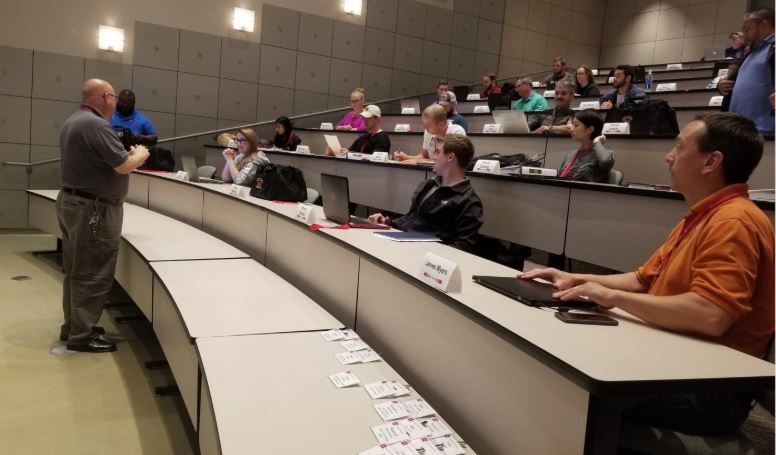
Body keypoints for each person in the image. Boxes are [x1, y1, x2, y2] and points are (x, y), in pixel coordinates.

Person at [521, 112, 774, 435]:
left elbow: (712, 314)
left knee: (561, 382)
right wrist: (578, 280)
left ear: (711, 162)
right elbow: (642, 279)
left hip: (708, 391)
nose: (668, 157)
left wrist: (612, 297)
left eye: (679, 148)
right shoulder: (704, 214)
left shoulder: (733, 222)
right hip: (676, 361)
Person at [58, 79, 150, 353]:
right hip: (94, 209)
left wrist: (126, 156)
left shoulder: (74, 120)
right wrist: (140, 154)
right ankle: (82, 336)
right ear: (106, 97)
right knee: (92, 272)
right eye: (113, 98)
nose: (115, 104)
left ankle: (74, 326)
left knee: (75, 269)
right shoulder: (97, 125)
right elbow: (123, 166)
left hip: (74, 203)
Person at [369, 135, 483, 252]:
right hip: (403, 244)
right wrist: (388, 222)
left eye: (437, 152)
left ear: (450, 157)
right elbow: (411, 217)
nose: (433, 157)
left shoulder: (469, 202)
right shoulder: (429, 185)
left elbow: (462, 248)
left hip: (425, 257)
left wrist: (428, 256)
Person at [727, 8, 775, 135]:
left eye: (747, 29)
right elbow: (734, 79)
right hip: (740, 128)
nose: (743, 34)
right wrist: (723, 84)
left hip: (764, 129)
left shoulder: (773, 47)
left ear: (763, 25)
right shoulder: (750, 51)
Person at [395, 104, 466, 164]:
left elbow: (449, 162)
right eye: (424, 124)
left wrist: (417, 161)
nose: (425, 128)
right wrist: (406, 158)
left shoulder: (457, 132)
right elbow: (425, 156)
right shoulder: (428, 132)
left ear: (441, 124)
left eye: (428, 126)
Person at [556, 109, 614, 182]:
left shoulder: (604, 155)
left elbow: (606, 162)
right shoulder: (571, 154)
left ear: (590, 129)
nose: (571, 129)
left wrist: (597, 142)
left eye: (576, 125)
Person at [326, 105, 390, 156]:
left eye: (368, 118)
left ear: (377, 119)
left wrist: (350, 153)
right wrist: (337, 152)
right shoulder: (363, 137)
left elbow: (376, 159)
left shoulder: (383, 138)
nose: (365, 120)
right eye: (364, 118)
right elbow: (350, 151)